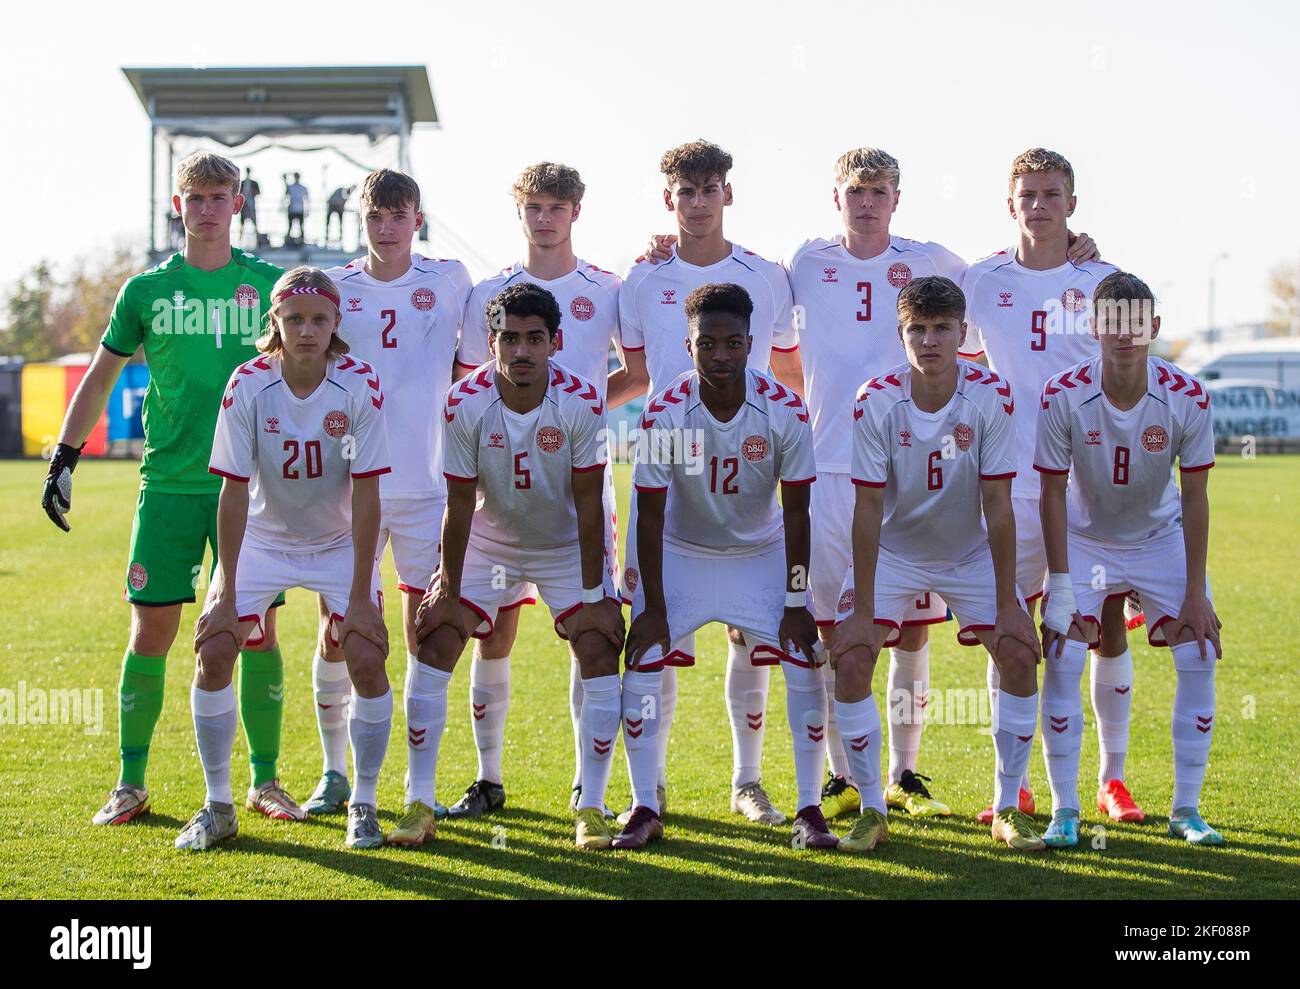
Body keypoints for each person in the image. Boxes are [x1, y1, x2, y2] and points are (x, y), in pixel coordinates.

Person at [42, 151, 296, 828]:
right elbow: (99, 375)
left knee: (258, 629)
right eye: (196, 196)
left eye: (220, 195)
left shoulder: (272, 288)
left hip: (251, 488)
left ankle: (265, 779)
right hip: (168, 485)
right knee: (151, 628)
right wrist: (64, 456)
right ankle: (130, 782)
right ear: (177, 205)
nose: (208, 208)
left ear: (238, 204)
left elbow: (325, 363)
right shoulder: (146, 292)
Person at [391, 282, 625, 851]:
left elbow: (590, 501)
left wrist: (596, 593)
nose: (522, 351)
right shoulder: (464, 400)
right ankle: (419, 800)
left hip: (565, 541)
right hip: (491, 537)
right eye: (510, 338)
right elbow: (458, 500)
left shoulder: (582, 400)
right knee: (437, 635)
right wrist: (446, 585)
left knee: (596, 645)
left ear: (555, 342)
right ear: (491, 341)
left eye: (534, 339)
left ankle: (590, 806)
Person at [617, 139, 803, 827]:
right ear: (669, 199)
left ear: (728, 192)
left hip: (747, 468)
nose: (697, 202)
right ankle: (651, 785)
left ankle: (748, 780)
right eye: (685, 191)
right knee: (652, 630)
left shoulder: (768, 275)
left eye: (709, 188)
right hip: (665, 474)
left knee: (751, 635)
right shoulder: (638, 279)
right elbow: (637, 380)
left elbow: (784, 375)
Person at [830, 275, 1044, 853]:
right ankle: (872, 809)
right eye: (917, 329)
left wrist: (1007, 605)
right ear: (900, 335)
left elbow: (999, 508)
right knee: (850, 660)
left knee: (1020, 651)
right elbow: (868, 510)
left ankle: (1008, 807)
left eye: (941, 328)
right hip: (896, 550)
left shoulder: (992, 396)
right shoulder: (875, 399)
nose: (930, 341)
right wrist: (863, 612)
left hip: (966, 550)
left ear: (961, 333)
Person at [182, 266, 393, 850]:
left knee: (366, 656)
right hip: (263, 542)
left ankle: (365, 803)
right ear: (274, 321)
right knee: (216, 647)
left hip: (337, 542)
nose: (306, 331)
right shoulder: (248, 383)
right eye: (294, 319)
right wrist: (224, 590)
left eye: (318, 319)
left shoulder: (360, 384)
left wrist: (358, 593)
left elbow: (370, 492)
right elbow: (231, 489)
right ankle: (219, 804)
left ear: (336, 323)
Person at [618, 283, 831, 851]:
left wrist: (794, 602)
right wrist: (655, 608)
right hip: (682, 552)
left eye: (733, 343)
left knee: (806, 659)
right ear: (688, 346)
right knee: (641, 657)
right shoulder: (664, 411)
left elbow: (798, 512)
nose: (720, 355)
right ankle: (644, 805)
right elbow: (649, 515)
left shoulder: (784, 408)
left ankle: (809, 809)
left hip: (758, 553)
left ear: (751, 343)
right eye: (706, 343)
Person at [960, 148, 1135, 826]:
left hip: (1087, 484)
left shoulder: (1106, 278)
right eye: (1027, 193)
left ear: (1071, 203)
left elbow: (1128, 375)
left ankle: (1111, 780)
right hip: (1004, 485)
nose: (1039, 204)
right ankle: (1016, 782)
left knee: (1102, 621)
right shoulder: (980, 279)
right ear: (1011, 204)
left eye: (1052, 193)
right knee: (1008, 622)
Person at [453, 162, 633, 819]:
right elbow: (472, 378)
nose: (545, 217)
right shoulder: (488, 291)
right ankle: (488, 777)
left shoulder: (607, 288)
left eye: (556, 205)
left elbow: (634, 367)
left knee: (590, 629)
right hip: (500, 491)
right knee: (491, 632)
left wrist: (575, 409)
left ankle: (590, 790)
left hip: (580, 489)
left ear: (575, 211)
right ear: (519, 211)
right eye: (534, 205)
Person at [293, 170, 472, 817]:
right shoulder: (337, 288)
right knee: (337, 628)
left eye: (399, 216)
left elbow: (480, 352)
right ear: (361, 218)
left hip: (427, 490)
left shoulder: (450, 280)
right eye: (376, 216)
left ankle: (419, 788)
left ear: (417, 219)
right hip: (350, 490)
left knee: (432, 627)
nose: (387, 228)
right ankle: (334, 772)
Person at [1035, 271, 1224, 848]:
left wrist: (1195, 593)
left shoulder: (1187, 395)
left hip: (1158, 539)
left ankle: (1186, 809)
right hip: (1086, 539)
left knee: (1200, 650)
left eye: (1135, 323)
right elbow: (1050, 493)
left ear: (1154, 328)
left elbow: (1195, 497)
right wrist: (1061, 584)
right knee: (1064, 655)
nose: (1124, 334)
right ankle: (1065, 810)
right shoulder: (1062, 393)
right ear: (1094, 327)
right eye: (1112, 323)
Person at [285, 172, 308, 245]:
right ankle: (288, 240)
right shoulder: (290, 187)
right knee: (290, 226)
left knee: (301, 227)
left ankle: (302, 241)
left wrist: (307, 210)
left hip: (300, 210)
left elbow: (307, 199)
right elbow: (286, 195)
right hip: (292, 210)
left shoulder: (303, 188)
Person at [239, 168, 261, 242]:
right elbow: (239, 193)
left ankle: (258, 241)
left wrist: (252, 193)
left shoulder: (254, 183)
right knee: (242, 224)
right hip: (244, 205)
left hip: (251, 204)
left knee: (255, 224)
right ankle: (240, 241)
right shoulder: (243, 182)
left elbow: (258, 192)